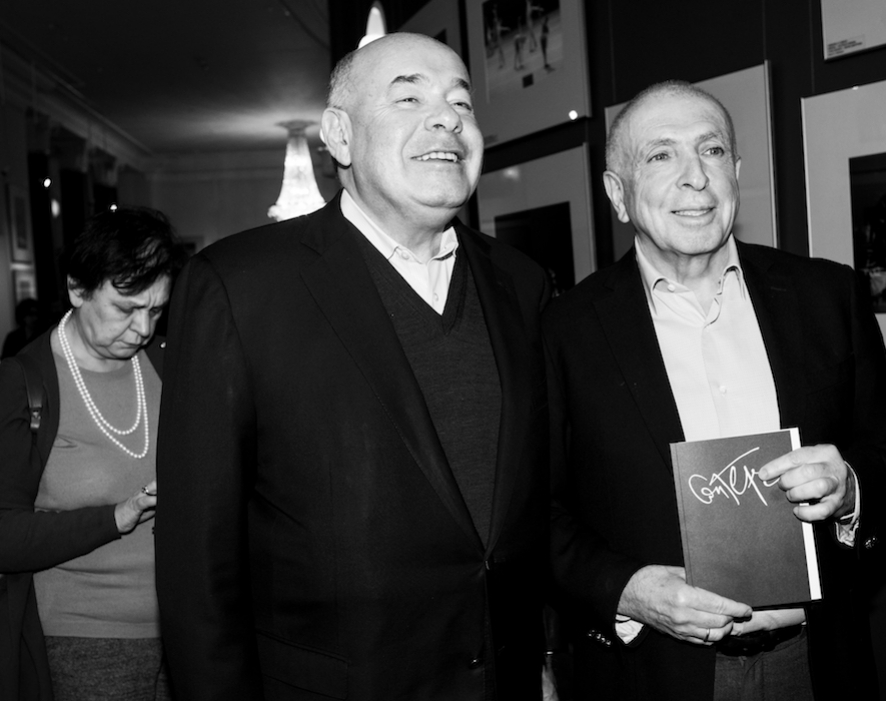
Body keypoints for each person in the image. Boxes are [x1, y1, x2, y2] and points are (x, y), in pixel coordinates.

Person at [156, 32, 550, 701]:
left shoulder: (522, 283)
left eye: (461, 102)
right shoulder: (240, 286)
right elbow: (198, 561)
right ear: (339, 135)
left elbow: (534, 508)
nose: (447, 118)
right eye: (409, 98)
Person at [543, 80, 886, 701]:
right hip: (654, 675)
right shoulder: (564, 330)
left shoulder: (828, 296)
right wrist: (628, 590)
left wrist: (851, 484)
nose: (695, 176)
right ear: (617, 193)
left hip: (818, 662)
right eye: (660, 155)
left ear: (737, 173)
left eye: (712, 150)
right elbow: (539, 512)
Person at [0, 207, 186, 700]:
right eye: (126, 308)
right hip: (82, 640)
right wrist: (116, 517)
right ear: (77, 289)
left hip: (183, 632)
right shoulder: (22, 384)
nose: (142, 327)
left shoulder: (170, 364)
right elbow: (5, 534)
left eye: (156, 310)